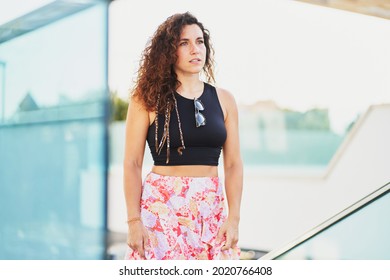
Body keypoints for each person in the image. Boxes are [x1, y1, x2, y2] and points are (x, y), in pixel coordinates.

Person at [123, 12, 243, 260]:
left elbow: (233, 165)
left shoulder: (225, 100)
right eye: (184, 43)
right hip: (161, 209)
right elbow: (132, 163)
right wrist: (134, 221)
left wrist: (234, 219)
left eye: (200, 42)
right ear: (169, 51)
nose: (195, 49)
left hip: (210, 209)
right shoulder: (145, 99)